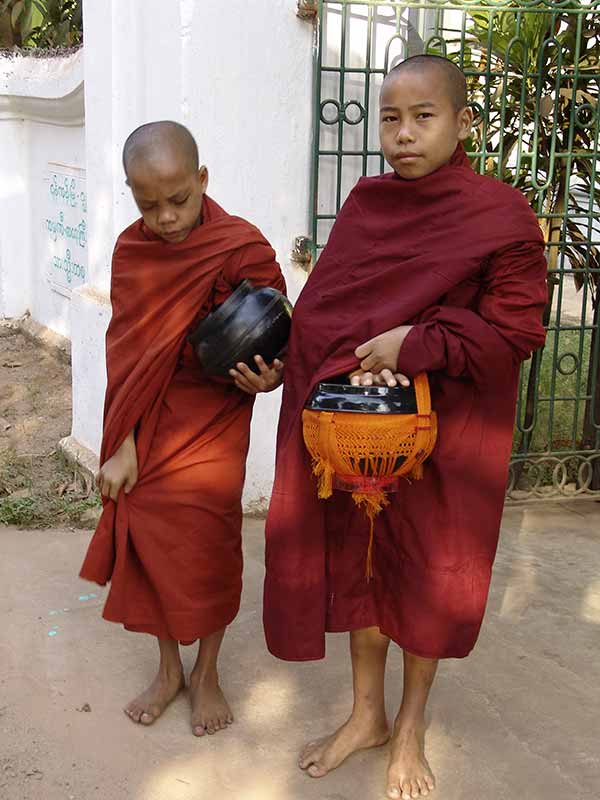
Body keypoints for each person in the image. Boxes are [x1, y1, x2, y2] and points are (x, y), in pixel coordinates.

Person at [262, 55, 547, 799]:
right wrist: (349, 363)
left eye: (424, 117)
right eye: (391, 119)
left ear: (463, 123)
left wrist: (413, 344)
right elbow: (329, 312)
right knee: (364, 562)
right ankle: (367, 715)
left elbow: (516, 328)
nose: (404, 134)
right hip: (363, 427)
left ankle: (412, 725)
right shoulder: (368, 205)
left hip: (449, 434)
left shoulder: (501, 215)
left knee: (426, 575)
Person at [80, 120, 285, 736]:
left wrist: (269, 377)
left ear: (203, 179)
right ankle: (170, 669)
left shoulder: (240, 245)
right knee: (151, 543)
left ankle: (208, 671)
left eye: (179, 199)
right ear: (131, 195)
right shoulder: (132, 252)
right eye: (149, 205)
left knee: (209, 544)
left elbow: (278, 329)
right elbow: (127, 352)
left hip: (216, 418)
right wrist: (123, 443)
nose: (166, 218)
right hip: (150, 419)